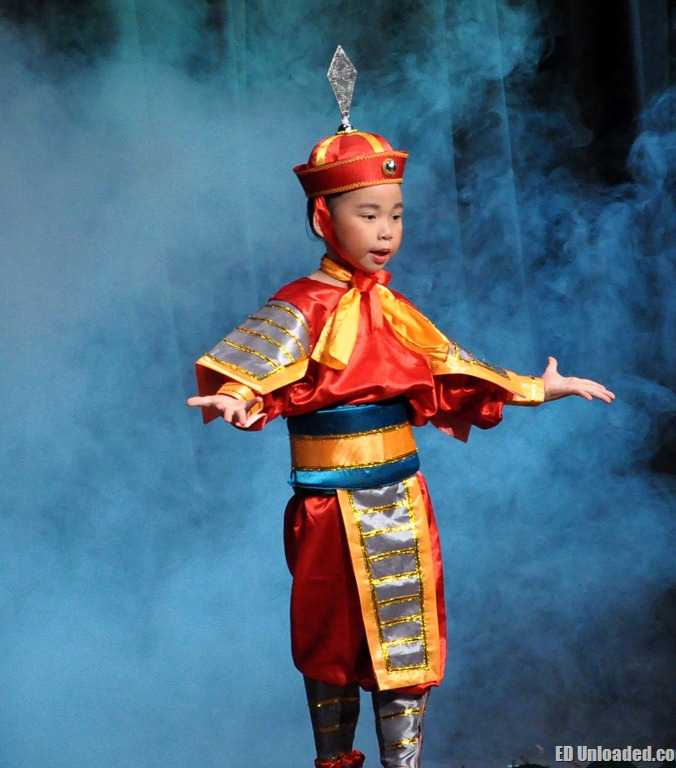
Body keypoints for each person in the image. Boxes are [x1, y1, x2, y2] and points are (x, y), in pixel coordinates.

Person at [187, 53, 614, 768]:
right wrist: (235, 396)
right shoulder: (301, 304)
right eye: (368, 214)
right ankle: (333, 762)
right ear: (324, 217)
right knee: (329, 645)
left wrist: (541, 388)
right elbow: (258, 371)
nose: (386, 230)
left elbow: (455, 369)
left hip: (401, 500)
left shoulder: (394, 309)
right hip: (326, 508)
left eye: (395, 215)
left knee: (405, 645)